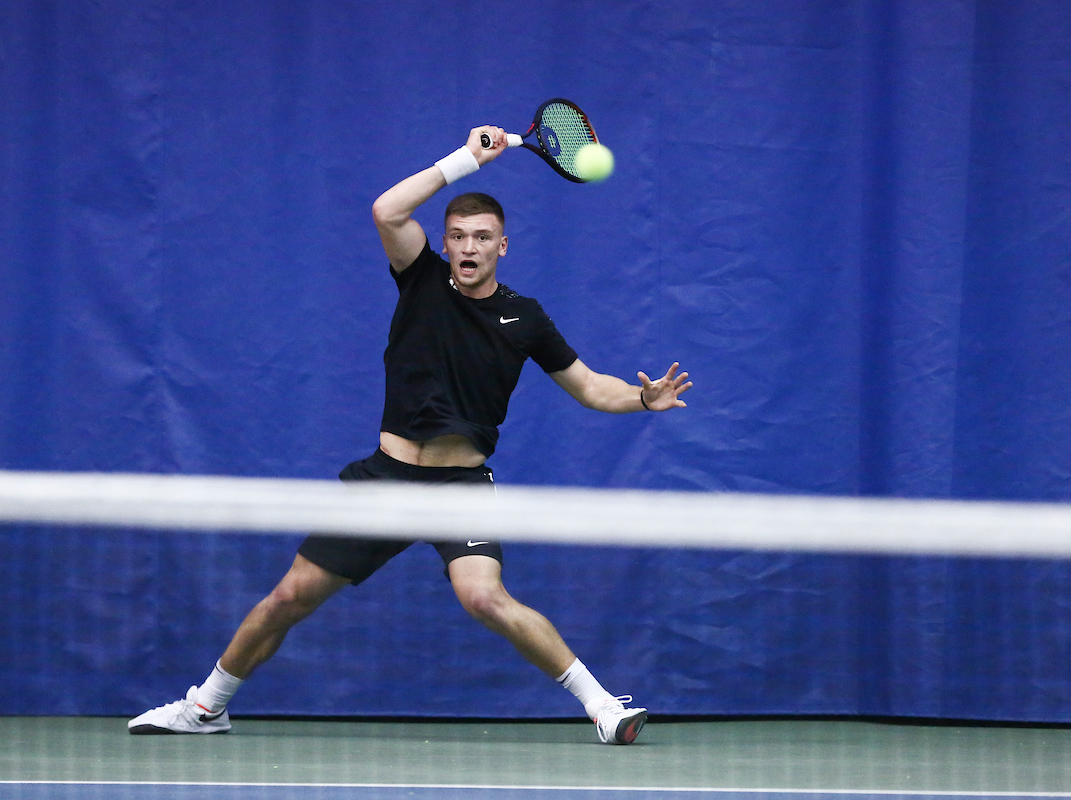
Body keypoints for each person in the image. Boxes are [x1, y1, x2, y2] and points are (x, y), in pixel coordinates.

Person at [128, 125, 692, 744]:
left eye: (482, 237)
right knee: (290, 596)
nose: (469, 247)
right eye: (458, 236)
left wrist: (643, 397)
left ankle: (604, 707)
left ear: (503, 246)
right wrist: (465, 161)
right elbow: (387, 210)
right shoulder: (420, 277)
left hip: (459, 486)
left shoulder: (524, 317)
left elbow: (588, 386)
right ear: (444, 244)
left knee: (484, 598)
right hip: (386, 479)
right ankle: (206, 707)